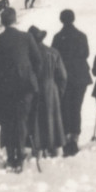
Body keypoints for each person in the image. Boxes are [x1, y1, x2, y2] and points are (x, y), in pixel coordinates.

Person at [0, 7, 44, 171]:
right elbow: (38, 60)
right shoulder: (26, 37)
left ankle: (11, 155)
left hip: (3, 87)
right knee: (21, 120)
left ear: (2, 21)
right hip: (25, 86)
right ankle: (19, 155)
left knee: (7, 121)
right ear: (15, 19)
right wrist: (31, 76)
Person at [52, 9, 92, 155]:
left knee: (64, 107)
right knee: (77, 107)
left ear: (61, 20)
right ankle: (75, 139)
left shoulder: (58, 37)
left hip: (63, 77)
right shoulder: (81, 35)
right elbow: (86, 53)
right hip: (80, 77)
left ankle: (66, 138)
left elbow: (55, 55)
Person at [27, 27, 67, 159]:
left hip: (34, 89)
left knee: (37, 120)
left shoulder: (28, 54)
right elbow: (63, 76)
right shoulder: (53, 52)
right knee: (53, 120)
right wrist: (58, 92)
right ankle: (56, 150)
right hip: (51, 88)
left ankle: (37, 151)